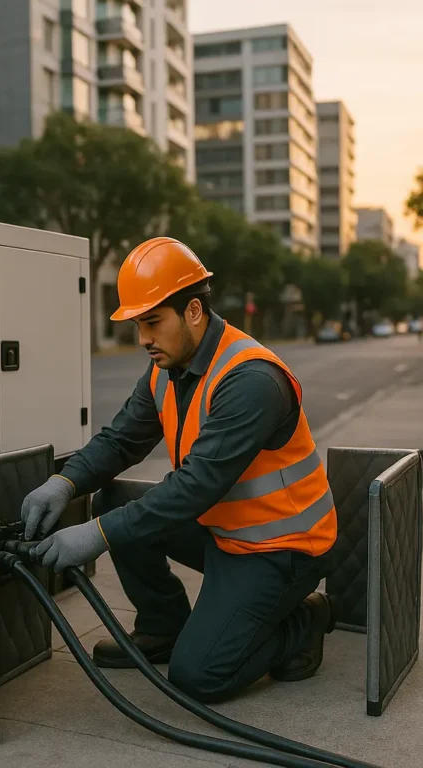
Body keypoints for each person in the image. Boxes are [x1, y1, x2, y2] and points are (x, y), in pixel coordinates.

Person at [22, 236, 338, 704]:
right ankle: (162, 629)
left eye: (152, 322)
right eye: (136, 325)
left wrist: (94, 536)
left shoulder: (250, 380)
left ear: (193, 311)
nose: (143, 338)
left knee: (199, 677)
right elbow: (121, 440)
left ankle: (302, 622)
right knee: (115, 500)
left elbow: (195, 487)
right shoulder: (166, 368)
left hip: (281, 551)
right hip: (226, 535)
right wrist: (63, 482)